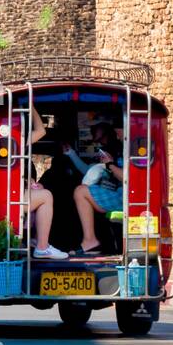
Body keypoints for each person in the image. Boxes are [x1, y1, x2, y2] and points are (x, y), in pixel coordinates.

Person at [70, 120, 125, 256]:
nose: (117, 135)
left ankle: (90, 240)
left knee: (80, 192)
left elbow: (128, 178)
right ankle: (90, 239)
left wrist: (110, 164)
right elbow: (89, 170)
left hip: (125, 196)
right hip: (119, 193)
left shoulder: (124, 148)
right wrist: (70, 153)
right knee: (81, 191)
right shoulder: (118, 148)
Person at [26, 108, 68, 260]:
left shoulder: (16, 140)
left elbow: (40, 131)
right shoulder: (17, 139)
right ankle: (42, 247)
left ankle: (36, 240)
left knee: (42, 192)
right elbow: (41, 131)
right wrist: (31, 105)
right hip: (9, 195)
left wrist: (30, 184)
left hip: (15, 193)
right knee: (46, 196)